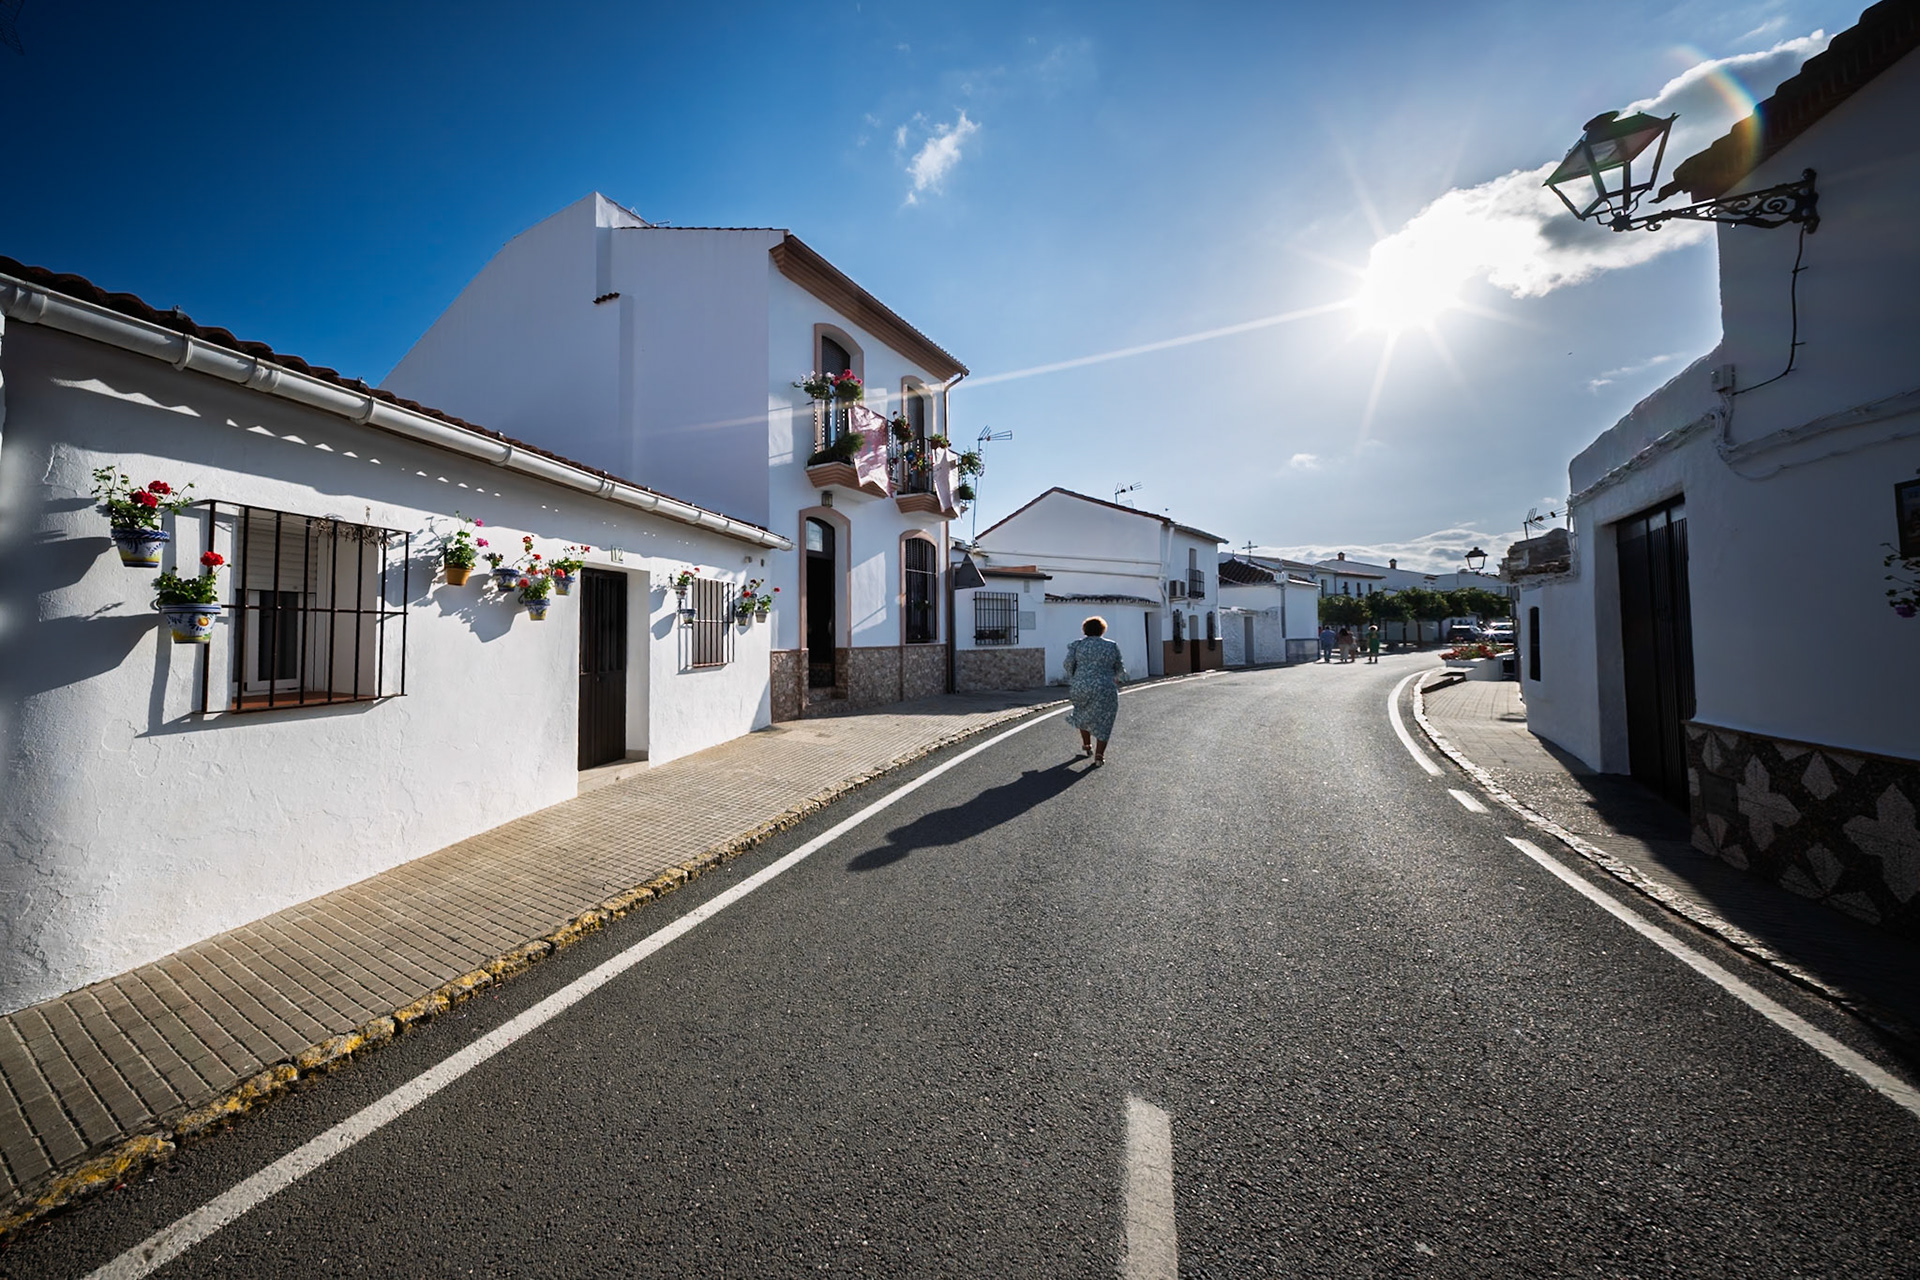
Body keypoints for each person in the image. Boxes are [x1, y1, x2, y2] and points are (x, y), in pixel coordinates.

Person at [1063, 615, 1125, 767]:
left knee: (1082, 714)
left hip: (1081, 685)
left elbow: (1068, 663)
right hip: (1105, 687)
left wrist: (1076, 677)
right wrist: (1118, 678)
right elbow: (1119, 667)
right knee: (1105, 719)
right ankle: (1099, 755)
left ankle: (1086, 745)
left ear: (1085, 630)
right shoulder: (1111, 646)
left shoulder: (1077, 645)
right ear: (1103, 630)